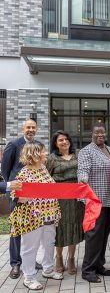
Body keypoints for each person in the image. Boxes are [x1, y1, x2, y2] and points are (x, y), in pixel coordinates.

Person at [8, 142, 62, 290]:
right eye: (43, 152)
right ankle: (29, 277)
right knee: (30, 247)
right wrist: (20, 197)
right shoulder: (24, 173)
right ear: (35, 154)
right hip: (32, 217)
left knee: (48, 243)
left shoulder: (43, 169)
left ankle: (48, 270)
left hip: (49, 214)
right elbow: (14, 195)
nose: (45, 154)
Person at [78, 123, 110, 283]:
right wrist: (83, 179)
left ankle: (99, 265)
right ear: (92, 134)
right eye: (97, 132)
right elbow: (83, 170)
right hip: (95, 200)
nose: (100, 135)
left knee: (103, 235)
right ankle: (87, 270)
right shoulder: (86, 151)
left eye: (102, 132)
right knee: (94, 236)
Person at [1, 118, 39, 279]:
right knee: (16, 228)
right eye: (28, 127)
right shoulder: (14, 144)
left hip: (34, 194)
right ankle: (15, 263)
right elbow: (5, 169)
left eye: (33, 127)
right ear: (23, 129)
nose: (31, 129)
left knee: (33, 227)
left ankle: (30, 260)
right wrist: (10, 186)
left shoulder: (37, 144)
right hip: (17, 193)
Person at [46, 130, 84, 275]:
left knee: (74, 226)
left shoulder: (78, 155)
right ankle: (59, 258)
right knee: (60, 228)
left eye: (66, 139)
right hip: (59, 200)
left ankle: (71, 259)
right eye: (60, 140)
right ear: (55, 143)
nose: (64, 142)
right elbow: (47, 179)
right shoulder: (51, 158)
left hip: (76, 199)